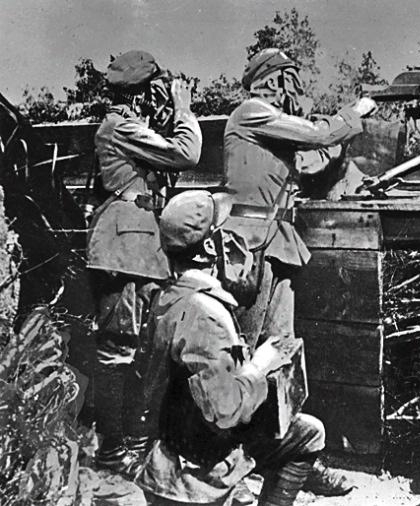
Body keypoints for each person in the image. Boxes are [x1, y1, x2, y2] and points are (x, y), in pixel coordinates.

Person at [222, 48, 376, 494]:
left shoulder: (272, 125)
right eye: (289, 81)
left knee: (281, 356)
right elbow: (316, 134)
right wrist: (356, 111)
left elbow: (315, 153)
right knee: (241, 355)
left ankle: (294, 457)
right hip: (248, 250)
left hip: (276, 244)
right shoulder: (252, 112)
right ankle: (227, 463)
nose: (295, 90)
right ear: (273, 81)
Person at [135, 189, 326, 506]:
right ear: (210, 246)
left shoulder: (168, 296)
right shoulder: (206, 313)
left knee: (304, 430)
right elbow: (227, 411)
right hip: (195, 477)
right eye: (221, 229)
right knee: (310, 433)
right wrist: (259, 366)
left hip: (166, 456)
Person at [87, 49, 202, 475]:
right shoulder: (121, 126)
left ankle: (134, 447)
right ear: (139, 94)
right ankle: (111, 452)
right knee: (118, 351)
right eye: (154, 92)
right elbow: (186, 153)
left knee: (143, 352)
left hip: (141, 249)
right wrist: (184, 109)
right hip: (124, 251)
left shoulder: (131, 126)